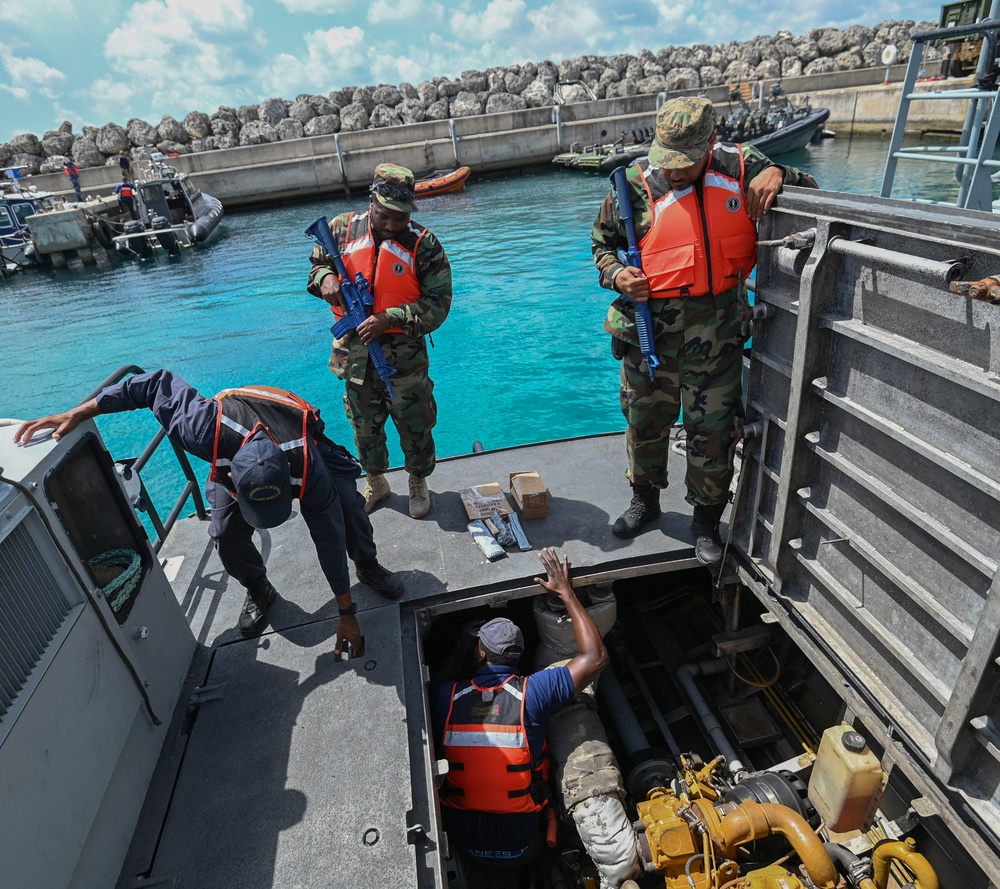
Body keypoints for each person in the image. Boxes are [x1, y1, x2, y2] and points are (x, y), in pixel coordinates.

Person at [13, 369, 404, 646]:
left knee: (348, 506)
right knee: (223, 533)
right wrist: (81, 411)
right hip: (236, 438)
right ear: (230, 477)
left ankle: (368, 565)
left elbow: (328, 539)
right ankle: (259, 588)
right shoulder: (200, 428)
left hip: (295, 430)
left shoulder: (306, 464)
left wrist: (346, 613)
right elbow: (154, 384)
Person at [592, 96, 817, 564]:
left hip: (716, 339)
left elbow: (809, 189)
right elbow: (601, 246)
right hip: (647, 335)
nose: (673, 174)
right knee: (644, 425)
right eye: (666, 163)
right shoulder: (631, 184)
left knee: (713, 434)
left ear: (709, 144)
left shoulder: (740, 165)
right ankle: (644, 503)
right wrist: (617, 275)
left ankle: (705, 523)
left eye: (685, 165)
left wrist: (779, 173)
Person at [429, 548, 609, 864]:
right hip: (525, 848)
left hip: (464, 848)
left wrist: (462, 646)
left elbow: (429, 686)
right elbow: (595, 657)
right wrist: (567, 594)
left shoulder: (447, 697)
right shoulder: (535, 692)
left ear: (480, 654)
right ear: (519, 658)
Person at [306, 163, 451, 520]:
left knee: (414, 423)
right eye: (385, 215)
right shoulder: (340, 230)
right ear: (371, 201)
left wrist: (390, 319)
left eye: (400, 218)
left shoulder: (424, 245)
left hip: (404, 361)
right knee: (363, 426)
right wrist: (325, 278)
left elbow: (439, 305)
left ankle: (417, 480)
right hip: (354, 357)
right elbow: (314, 268)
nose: (391, 225)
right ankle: (376, 480)